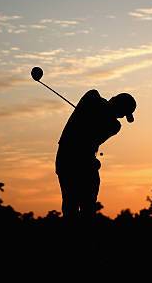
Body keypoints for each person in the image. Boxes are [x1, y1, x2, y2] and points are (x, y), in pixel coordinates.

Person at [56, 90, 136, 220]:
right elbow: (92, 93)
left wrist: (98, 114)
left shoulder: (113, 125)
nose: (120, 116)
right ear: (115, 102)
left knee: (86, 205)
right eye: (122, 112)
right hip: (69, 158)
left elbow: (93, 137)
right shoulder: (93, 99)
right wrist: (100, 111)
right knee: (71, 204)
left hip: (81, 160)